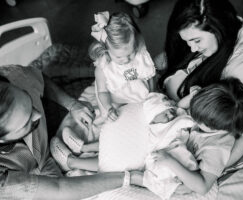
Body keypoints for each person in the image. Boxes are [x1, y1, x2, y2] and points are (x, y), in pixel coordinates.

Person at [157, 0, 243, 167]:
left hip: (223, 94)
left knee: (172, 86)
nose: (192, 48)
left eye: (197, 41)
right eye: (188, 41)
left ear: (217, 29)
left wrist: (218, 167)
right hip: (208, 81)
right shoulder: (230, 23)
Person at [0, 66, 143, 200]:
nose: (38, 115)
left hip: (45, 160)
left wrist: (72, 105)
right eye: (26, 123)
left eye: (30, 103)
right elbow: (59, 189)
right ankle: (71, 160)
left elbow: (39, 80)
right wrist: (129, 178)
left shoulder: (14, 77)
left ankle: (72, 159)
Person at [149, 78, 243, 198]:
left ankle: (137, 179)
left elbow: (203, 187)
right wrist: (192, 97)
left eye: (198, 120)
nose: (193, 119)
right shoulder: (208, 113)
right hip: (189, 148)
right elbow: (180, 108)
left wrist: (169, 161)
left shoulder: (215, 148)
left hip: (199, 170)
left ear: (215, 128)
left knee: (180, 188)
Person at [90, 11, 156, 121]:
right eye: (119, 57)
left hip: (143, 97)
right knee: (106, 120)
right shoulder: (103, 68)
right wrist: (109, 108)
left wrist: (153, 94)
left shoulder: (140, 55)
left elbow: (150, 76)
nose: (126, 60)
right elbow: (102, 92)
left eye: (130, 54)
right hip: (117, 104)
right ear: (106, 50)